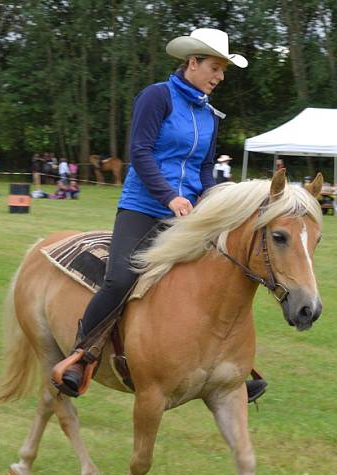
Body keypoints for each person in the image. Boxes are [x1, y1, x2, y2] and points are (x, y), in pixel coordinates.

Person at [53, 28, 266, 402]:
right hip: (142, 207)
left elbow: (202, 169)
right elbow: (140, 153)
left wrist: (214, 201)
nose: (219, 77)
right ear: (193, 63)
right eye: (215, 68)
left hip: (186, 214)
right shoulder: (157, 97)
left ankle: (231, 367)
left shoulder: (210, 115)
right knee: (120, 280)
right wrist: (170, 198)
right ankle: (81, 355)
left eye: (224, 71)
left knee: (224, 275)